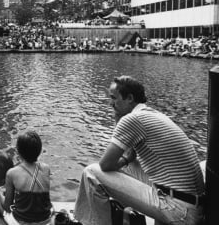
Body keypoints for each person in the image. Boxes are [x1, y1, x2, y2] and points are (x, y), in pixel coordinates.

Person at [74, 76, 205, 225]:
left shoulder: (132, 120)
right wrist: (127, 158)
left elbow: (105, 165)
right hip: (193, 206)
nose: (111, 104)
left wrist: (126, 159)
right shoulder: (151, 114)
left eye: (114, 98)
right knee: (130, 165)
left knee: (91, 173)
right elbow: (127, 153)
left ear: (129, 98)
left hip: (179, 210)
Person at [0, 131, 53, 225]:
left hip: (20, 222)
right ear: (39, 150)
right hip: (46, 221)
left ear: (18, 151)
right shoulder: (46, 168)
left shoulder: (12, 173)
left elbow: (7, 207)